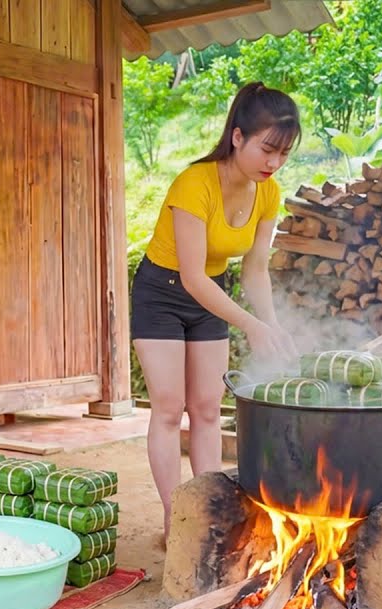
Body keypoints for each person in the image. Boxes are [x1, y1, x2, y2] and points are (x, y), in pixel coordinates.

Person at [131, 82, 301, 542]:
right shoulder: (194, 183)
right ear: (238, 136)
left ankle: (205, 511)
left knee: (207, 408)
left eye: (284, 154)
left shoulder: (269, 193)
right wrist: (248, 324)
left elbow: (255, 273)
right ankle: (177, 519)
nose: (274, 163)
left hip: (212, 294)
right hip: (162, 291)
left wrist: (273, 327)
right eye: (268, 149)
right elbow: (191, 276)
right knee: (168, 408)